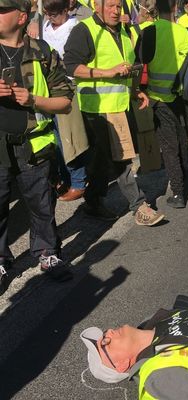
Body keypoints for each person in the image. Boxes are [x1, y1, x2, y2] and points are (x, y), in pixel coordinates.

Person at [63, 0, 165, 226]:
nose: (115, 10)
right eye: (110, 5)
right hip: (98, 108)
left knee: (104, 157)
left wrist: (135, 91)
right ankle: (139, 206)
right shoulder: (85, 29)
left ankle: (92, 201)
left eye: (118, 6)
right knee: (122, 157)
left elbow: (125, 69)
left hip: (121, 105)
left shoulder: (124, 31)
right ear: (96, 6)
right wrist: (107, 72)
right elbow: (70, 66)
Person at [0, 0, 74, 290]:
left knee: (42, 204)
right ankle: (2, 261)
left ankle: (47, 252)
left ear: (21, 16)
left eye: (2, 10)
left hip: (35, 146)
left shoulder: (42, 53)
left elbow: (66, 102)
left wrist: (32, 100)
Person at [135, 0, 188, 209]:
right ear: (175, 10)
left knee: (168, 147)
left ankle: (178, 192)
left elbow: (139, 60)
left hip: (158, 97)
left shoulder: (149, 32)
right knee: (183, 138)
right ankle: (184, 175)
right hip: (182, 95)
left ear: (155, 10)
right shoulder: (184, 32)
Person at [40, 0, 89, 202]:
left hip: (67, 88)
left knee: (69, 137)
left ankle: (78, 182)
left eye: (54, 13)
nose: (51, 17)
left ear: (65, 10)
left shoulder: (74, 28)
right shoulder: (45, 25)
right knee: (54, 137)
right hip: (47, 87)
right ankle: (64, 178)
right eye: (47, 13)